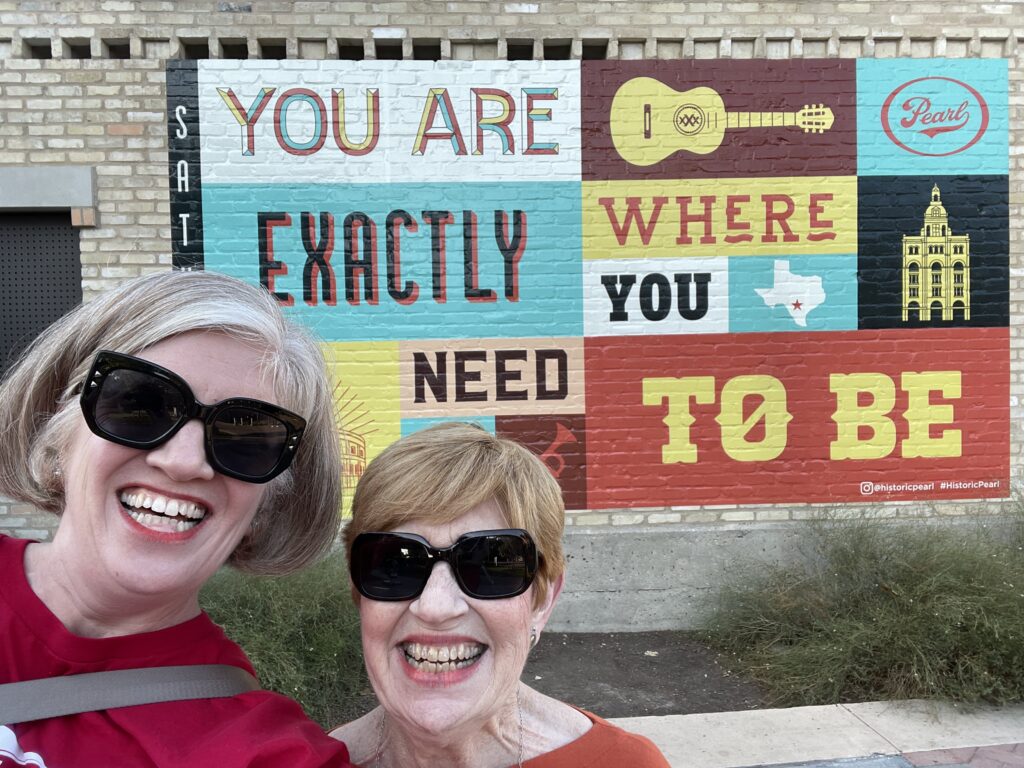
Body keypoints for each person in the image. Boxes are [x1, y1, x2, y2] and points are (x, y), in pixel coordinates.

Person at [0, 270, 352, 767]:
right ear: (59, 428)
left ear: (266, 504)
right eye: (140, 405)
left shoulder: (270, 755)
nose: (185, 461)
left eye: (245, 437)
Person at [330, 422, 670, 768]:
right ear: (357, 590)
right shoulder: (311, 760)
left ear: (543, 600)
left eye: (489, 564)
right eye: (397, 564)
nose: (436, 607)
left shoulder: (622, 763)